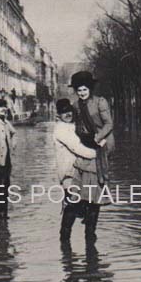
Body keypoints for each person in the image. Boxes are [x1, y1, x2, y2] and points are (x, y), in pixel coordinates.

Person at [70, 71, 114, 242]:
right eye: (79, 90)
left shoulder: (100, 102)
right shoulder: (75, 106)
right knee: (82, 186)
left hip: (101, 145)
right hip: (85, 144)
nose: (82, 93)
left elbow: (109, 123)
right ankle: (86, 219)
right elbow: (77, 126)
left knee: (95, 187)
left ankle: (91, 231)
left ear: (90, 89)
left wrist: (98, 139)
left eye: (84, 89)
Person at [53, 98, 98, 242]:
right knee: (72, 205)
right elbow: (76, 147)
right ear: (58, 114)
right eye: (63, 112)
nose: (68, 114)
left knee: (92, 204)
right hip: (69, 173)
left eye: (69, 111)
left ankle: (89, 239)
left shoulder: (73, 126)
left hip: (81, 172)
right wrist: (97, 154)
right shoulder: (60, 129)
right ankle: (65, 240)